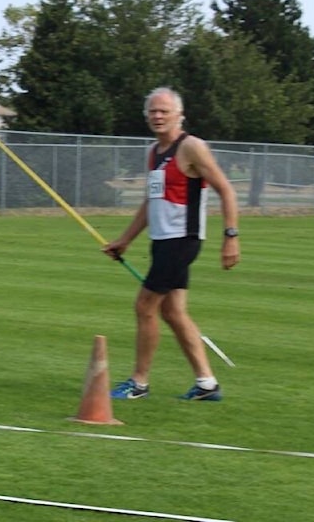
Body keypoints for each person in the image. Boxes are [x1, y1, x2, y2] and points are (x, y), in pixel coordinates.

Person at [102, 87, 240, 402]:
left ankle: (139, 383)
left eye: (164, 111)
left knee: (144, 306)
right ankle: (207, 385)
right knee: (174, 312)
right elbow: (152, 200)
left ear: (179, 115)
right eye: (153, 111)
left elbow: (226, 190)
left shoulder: (191, 147)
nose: (158, 116)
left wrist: (230, 237)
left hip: (182, 240)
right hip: (161, 241)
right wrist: (125, 240)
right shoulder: (153, 152)